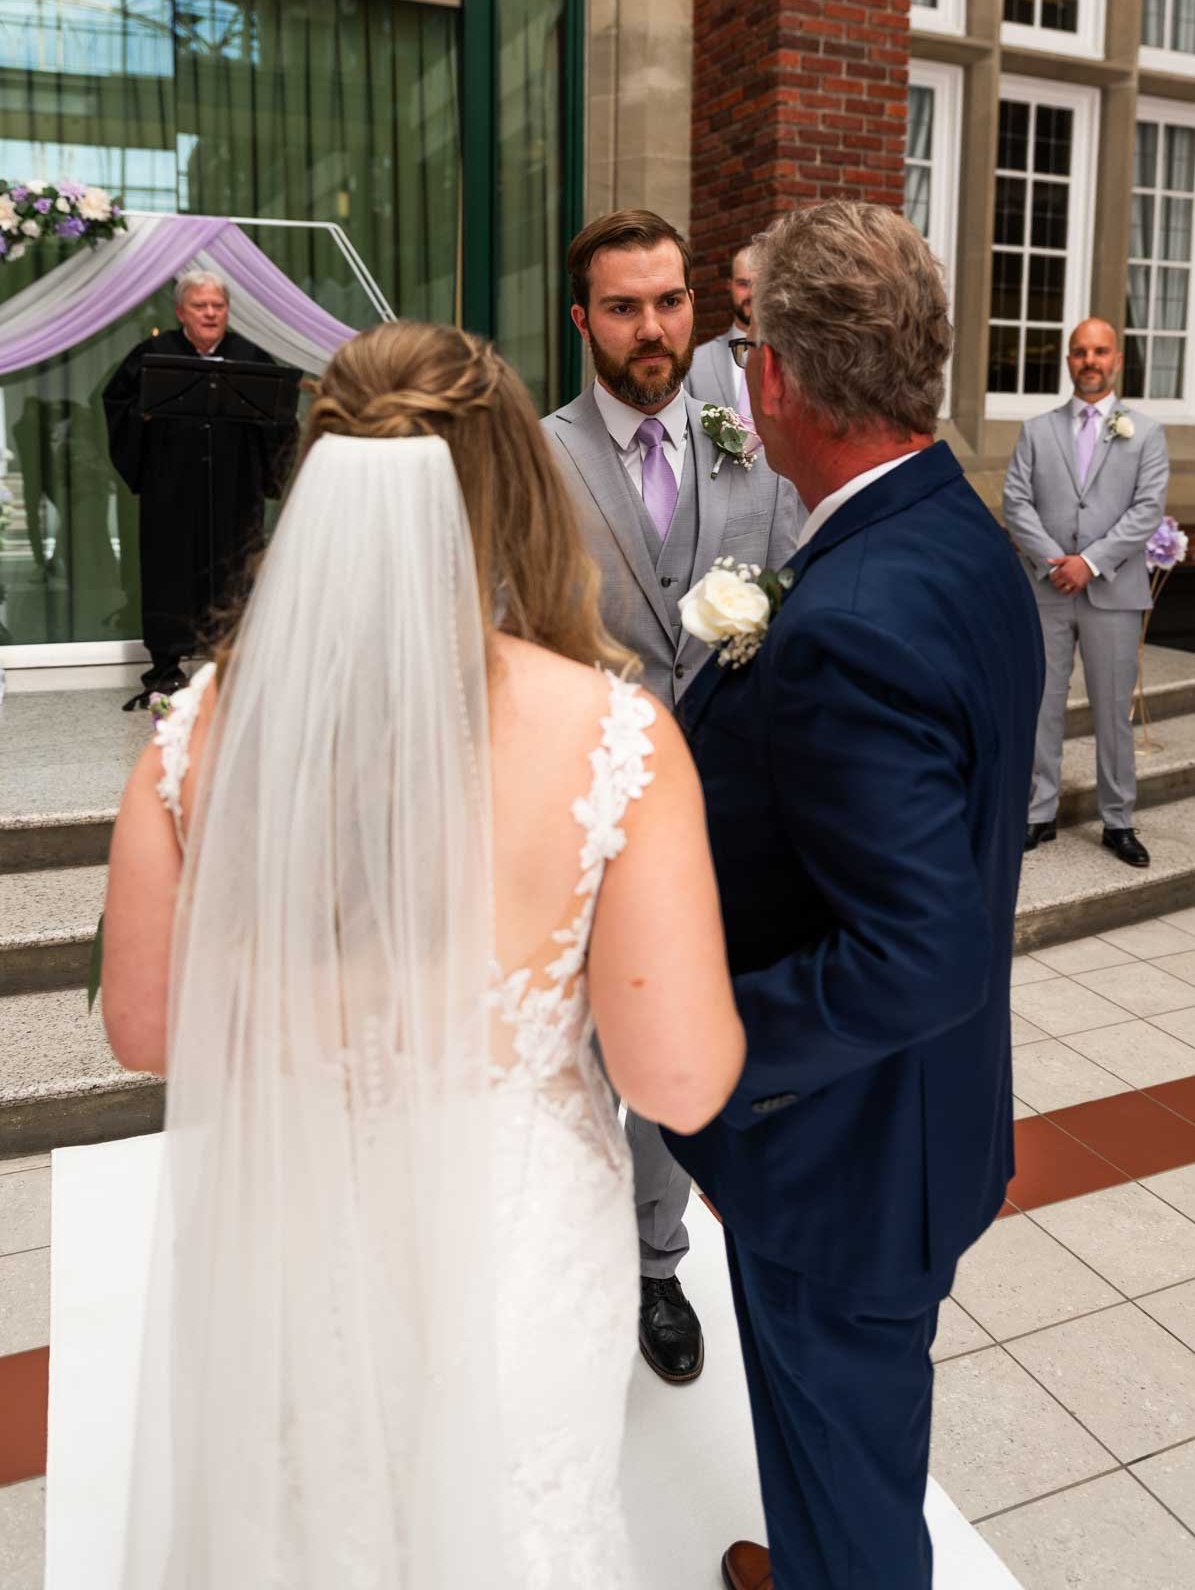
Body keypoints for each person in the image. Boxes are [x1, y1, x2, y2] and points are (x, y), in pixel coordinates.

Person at [100, 321, 743, 1588]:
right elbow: (677, 1082)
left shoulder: (197, 731)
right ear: (512, 486)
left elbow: (147, 1029)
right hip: (514, 1266)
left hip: (292, 1245)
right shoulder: (614, 735)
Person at [666, 201, 1044, 1590]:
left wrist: (704, 1039)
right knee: (844, 1440)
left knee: (853, 1455)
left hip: (846, 1156)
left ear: (776, 376)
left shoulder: (856, 616)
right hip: (914, 1125)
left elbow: (917, 951)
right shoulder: (951, 534)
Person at [543, 208, 801, 1387]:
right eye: (624, 306)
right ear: (582, 317)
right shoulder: (539, 460)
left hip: (722, 817)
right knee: (577, 1053)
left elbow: (796, 595)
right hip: (581, 819)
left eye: (669, 302)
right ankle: (566, 1248)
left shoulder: (746, 442)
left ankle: (656, 1263)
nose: (652, 330)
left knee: (673, 1047)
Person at [1002, 317, 1169, 868]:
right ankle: (1038, 812)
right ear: (1068, 361)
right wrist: (1056, 561)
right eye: (1079, 352)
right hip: (1047, 589)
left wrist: (1089, 563)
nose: (1089, 361)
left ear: (1117, 360)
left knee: (1112, 713)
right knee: (1042, 705)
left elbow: (1146, 510)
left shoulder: (1145, 433)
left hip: (1114, 593)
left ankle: (1118, 819)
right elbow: (1015, 502)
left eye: (1099, 351)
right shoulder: (1037, 431)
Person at [102, 271, 296, 707]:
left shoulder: (250, 356)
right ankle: (167, 671)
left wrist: (269, 434)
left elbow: (282, 416)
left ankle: (232, 667)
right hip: (171, 486)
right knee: (169, 570)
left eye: (218, 306)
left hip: (235, 486)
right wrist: (143, 417)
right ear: (180, 312)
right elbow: (118, 405)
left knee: (236, 569)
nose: (210, 313)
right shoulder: (153, 354)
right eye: (200, 306)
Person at [688, 242, 755, 413]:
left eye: (760, 283)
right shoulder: (695, 363)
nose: (752, 293)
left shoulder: (794, 359)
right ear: (729, 285)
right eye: (743, 284)